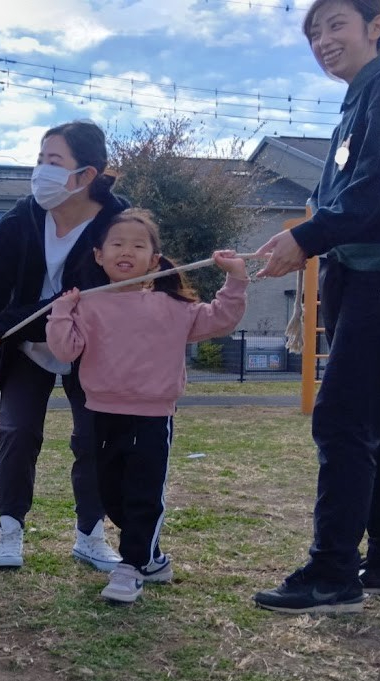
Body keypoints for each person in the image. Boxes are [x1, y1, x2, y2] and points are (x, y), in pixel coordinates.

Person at [251, 0, 380, 614]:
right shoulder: (355, 106)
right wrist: (295, 242)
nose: (322, 40)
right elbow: (335, 202)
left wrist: (306, 240)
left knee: (342, 419)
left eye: (335, 24)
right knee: (378, 421)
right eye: (313, 32)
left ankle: (333, 573)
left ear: (376, 27)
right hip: (359, 277)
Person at [0, 120, 131, 571]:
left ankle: (90, 535)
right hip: (25, 350)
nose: (41, 172)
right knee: (16, 434)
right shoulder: (22, 217)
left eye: (54, 162)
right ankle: (10, 529)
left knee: (93, 439)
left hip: (89, 347)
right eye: (39, 160)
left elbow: (83, 298)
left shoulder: (118, 223)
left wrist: (2, 325)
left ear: (86, 175)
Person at [46, 209, 250, 603]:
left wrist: (235, 278)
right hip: (102, 414)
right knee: (110, 495)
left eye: (139, 245)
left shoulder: (172, 306)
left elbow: (221, 319)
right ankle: (153, 559)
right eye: (117, 244)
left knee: (142, 493)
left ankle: (131, 566)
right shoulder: (88, 305)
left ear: (154, 260)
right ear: (99, 256)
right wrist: (60, 314)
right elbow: (65, 350)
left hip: (152, 417)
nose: (127, 251)